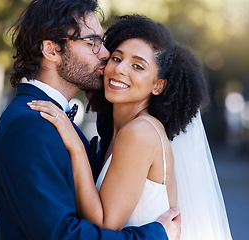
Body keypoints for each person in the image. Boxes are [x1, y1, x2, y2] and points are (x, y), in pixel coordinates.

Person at [0, 1, 180, 239]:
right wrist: (157, 235)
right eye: (93, 43)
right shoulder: (29, 127)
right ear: (52, 50)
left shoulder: (54, 120)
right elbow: (63, 235)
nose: (106, 54)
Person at [29, 15, 232, 239]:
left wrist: (76, 147)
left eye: (137, 66)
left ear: (158, 85)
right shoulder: (123, 132)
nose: (120, 70)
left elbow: (105, 224)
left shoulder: (140, 133)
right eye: (116, 58)